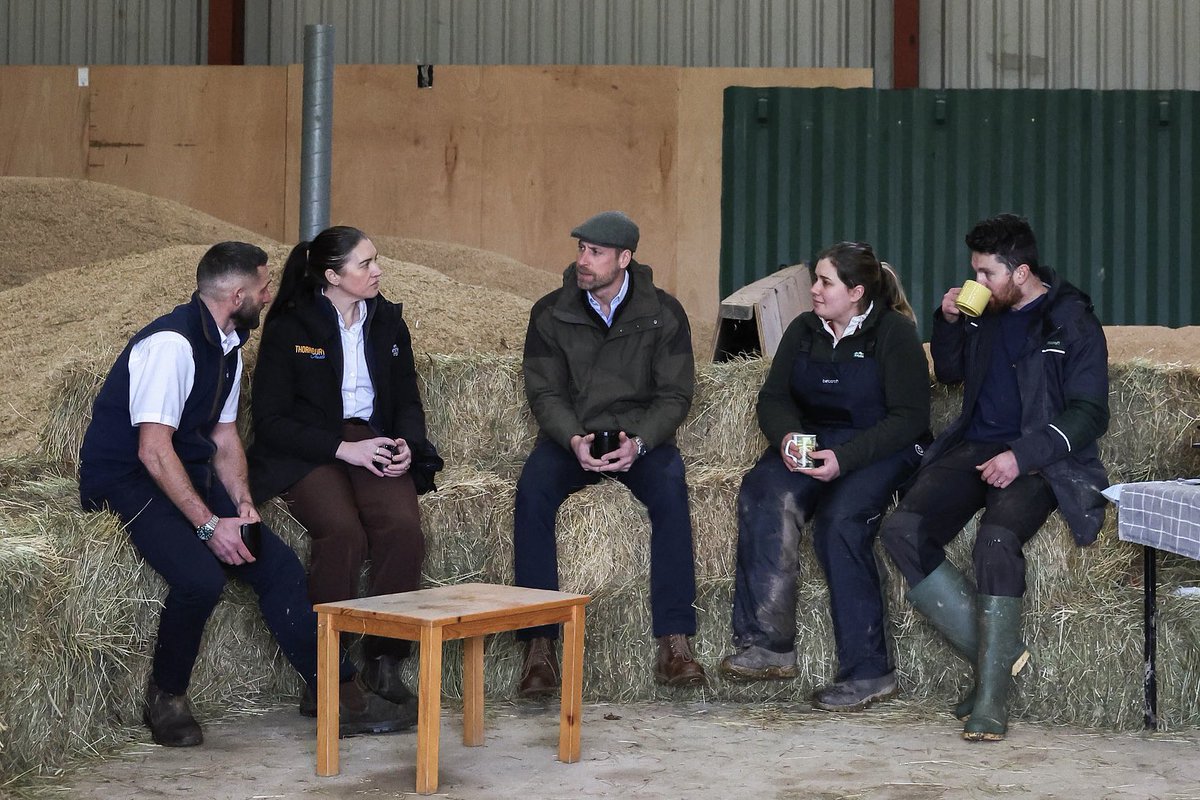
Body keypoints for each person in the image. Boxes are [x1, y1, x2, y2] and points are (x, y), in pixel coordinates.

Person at [79, 242, 414, 747]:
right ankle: (166, 697)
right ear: (238, 295)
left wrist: (241, 504)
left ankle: (338, 694)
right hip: (127, 477)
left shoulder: (229, 342)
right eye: (263, 287)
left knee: (276, 566)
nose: (270, 294)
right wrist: (208, 525)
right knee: (200, 579)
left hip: (183, 469)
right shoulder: (172, 344)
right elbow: (152, 451)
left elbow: (224, 435)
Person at [881, 213, 1110, 741]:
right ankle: (999, 658)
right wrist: (948, 322)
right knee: (901, 530)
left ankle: (990, 697)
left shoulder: (1069, 320)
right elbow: (952, 375)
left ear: (1021, 272)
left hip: (1039, 456)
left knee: (996, 541)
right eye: (975, 273)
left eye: (986, 273)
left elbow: (1090, 412)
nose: (977, 282)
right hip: (974, 446)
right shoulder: (985, 312)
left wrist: (1023, 455)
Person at [718, 242, 931, 711]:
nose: (813, 289)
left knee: (840, 523)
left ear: (856, 292)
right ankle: (768, 644)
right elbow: (774, 399)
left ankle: (869, 672)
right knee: (765, 489)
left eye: (825, 282)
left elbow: (909, 419)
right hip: (817, 442)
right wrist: (788, 438)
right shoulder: (804, 330)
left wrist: (845, 458)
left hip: (882, 447)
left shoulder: (894, 335)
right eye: (816, 279)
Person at [248, 225, 443, 710]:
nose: (377, 271)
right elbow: (271, 421)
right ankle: (328, 672)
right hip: (311, 448)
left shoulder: (388, 321)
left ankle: (386, 658)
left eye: (376, 260)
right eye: (365, 264)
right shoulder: (291, 326)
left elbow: (407, 399)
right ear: (332, 275)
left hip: (372, 439)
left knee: (402, 529)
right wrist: (342, 449)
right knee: (342, 532)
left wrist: (406, 443)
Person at [513, 210, 706, 695]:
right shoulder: (550, 312)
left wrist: (638, 442)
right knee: (532, 493)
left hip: (638, 438)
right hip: (572, 436)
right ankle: (539, 644)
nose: (583, 260)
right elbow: (545, 393)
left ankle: (675, 641)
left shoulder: (665, 312)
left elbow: (675, 395)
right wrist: (573, 439)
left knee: (670, 490)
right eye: (581, 249)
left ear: (625, 258)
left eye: (595, 252)